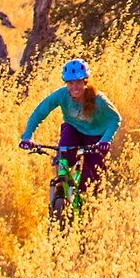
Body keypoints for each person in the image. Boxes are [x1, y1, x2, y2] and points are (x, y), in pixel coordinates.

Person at [20, 58, 121, 190]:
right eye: (70, 83)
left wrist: (105, 141)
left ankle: (84, 204)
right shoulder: (62, 95)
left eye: (78, 82)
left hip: (96, 136)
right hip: (72, 131)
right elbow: (39, 112)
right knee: (62, 162)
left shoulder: (99, 99)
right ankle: (61, 195)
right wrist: (27, 136)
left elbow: (115, 118)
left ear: (85, 82)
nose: (74, 87)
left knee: (91, 184)